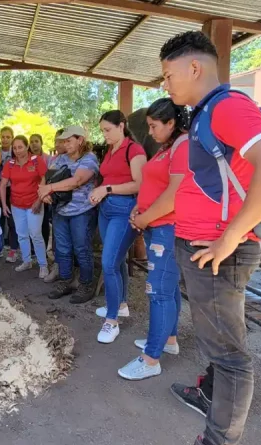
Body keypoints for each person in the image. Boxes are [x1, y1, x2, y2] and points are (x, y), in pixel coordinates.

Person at [160, 31, 261, 445]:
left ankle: (219, 439)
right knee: (215, 340)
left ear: (195, 68)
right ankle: (208, 393)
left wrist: (230, 238)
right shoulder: (206, 112)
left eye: (168, 75)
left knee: (230, 355)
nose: (166, 85)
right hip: (204, 247)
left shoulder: (226, 106)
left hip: (220, 251)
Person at [117, 98, 188, 380]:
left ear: (171, 123)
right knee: (167, 290)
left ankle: (150, 360)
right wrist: (140, 207)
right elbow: (154, 185)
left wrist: (145, 218)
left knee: (158, 292)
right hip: (156, 224)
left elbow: (174, 194)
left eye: (154, 126)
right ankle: (168, 341)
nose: (150, 132)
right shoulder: (167, 147)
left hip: (166, 227)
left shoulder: (183, 147)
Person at [88, 110, 147, 343]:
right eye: (102, 130)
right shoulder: (111, 150)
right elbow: (107, 178)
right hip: (106, 209)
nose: (105, 135)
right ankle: (121, 305)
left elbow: (139, 184)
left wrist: (107, 189)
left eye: (108, 130)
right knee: (117, 259)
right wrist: (98, 191)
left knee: (109, 263)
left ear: (121, 126)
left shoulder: (135, 150)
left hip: (125, 211)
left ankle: (112, 321)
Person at [40, 126, 100, 303]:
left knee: (81, 248)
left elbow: (77, 181)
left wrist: (49, 188)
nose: (65, 144)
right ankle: (66, 280)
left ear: (80, 140)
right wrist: (44, 194)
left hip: (81, 211)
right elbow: (46, 178)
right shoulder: (60, 158)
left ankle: (86, 284)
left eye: (68, 140)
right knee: (63, 249)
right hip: (60, 210)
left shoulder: (89, 159)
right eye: (63, 141)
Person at [0, 135, 50, 278]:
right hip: (16, 204)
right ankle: (27, 261)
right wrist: (4, 204)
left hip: (34, 203)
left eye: (20, 147)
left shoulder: (36, 160)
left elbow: (44, 180)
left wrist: (39, 200)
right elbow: (3, 185)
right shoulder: (9, 163)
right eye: (14, 148)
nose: (17, 151)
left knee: (35, 234)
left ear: (27, 147)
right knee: (22, 234)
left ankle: (43, 265)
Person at [43, 128, 67, 283]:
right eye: (55, 140)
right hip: (56, 205)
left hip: (74, 206)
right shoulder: (53, 160)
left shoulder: (78, 159)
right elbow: (46, 179)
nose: (56, 144)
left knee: (75, 243)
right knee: (58, 239)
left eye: (60, 141)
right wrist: (44, 193)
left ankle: (70, 272)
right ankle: (58, 268)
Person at [0, 126, 19, 263]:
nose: (5, 139)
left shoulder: (16, 152)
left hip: (13, 190)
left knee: (12, 221)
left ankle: (13, 250)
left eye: (8, 137)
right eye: (3, 137)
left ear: (12, 138)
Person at [30, 133, 52, 249]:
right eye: (31, 142)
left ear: (41, 143)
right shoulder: (27, 159)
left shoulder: (48, 159)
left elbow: (50, 177)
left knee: (43, 223)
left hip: (45, 194)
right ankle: (33, 250)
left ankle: (43, 250)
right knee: (31, 223)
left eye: (36, 141)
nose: (34, 144)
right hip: (30, 194)